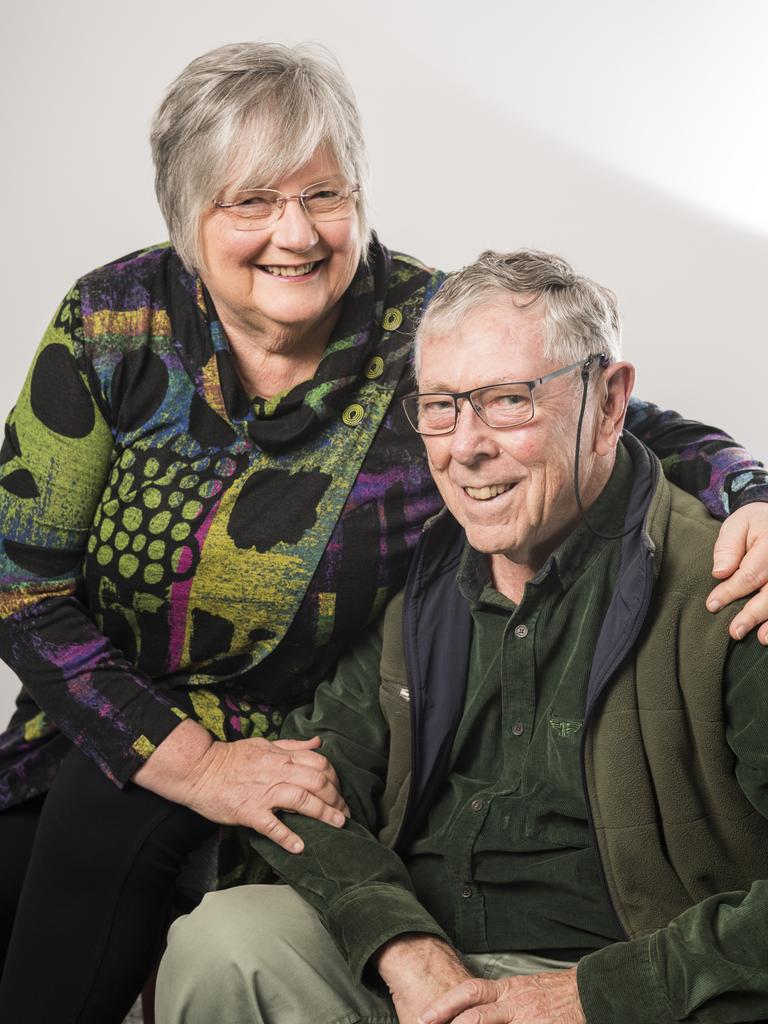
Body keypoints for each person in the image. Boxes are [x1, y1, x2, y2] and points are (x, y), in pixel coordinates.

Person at [0, 42, 766, 1024]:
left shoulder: (426, 332)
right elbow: (22, 585)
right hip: (100, 721)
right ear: (187, 220)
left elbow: (618, 418)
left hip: (299, 735)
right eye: (252, 201)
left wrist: (755, 496)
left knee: (107, 847)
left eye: (326, 194)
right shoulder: (117, 319)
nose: (297, 231)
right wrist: (183, 756)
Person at [156, 249, 768, 1024]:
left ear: (610, 403)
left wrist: (594, 996)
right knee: (228, 943)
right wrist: (404, 949)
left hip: (631, 984)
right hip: (428, 972)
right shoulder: (419, 577)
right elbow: (306, 782)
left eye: (508, 401)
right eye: (440, 405)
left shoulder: (735, 584)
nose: (464, 445)